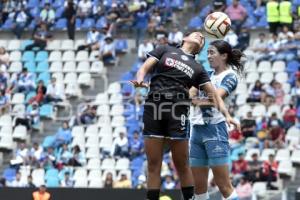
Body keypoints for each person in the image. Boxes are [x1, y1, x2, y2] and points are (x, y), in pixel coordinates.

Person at [130, 32, 237, 200]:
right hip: (154, 106)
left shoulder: (198, 68)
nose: (199, 37)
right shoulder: (165, 49)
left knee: (182, 164)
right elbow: (144, 68)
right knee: (153, 163)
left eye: (202, 39)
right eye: (196, 34)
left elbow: (215, 96)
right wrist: (140, 79)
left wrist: (227, 115)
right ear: (184, 38)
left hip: (178, 110)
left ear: (200, 47)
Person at [189, 40, 244, 200]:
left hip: (215, 130)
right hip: (197, 131)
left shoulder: (230, 76)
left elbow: (215, 98)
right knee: (199, 189)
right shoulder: (208, 76)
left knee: (224, 186)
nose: (209, 56)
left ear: (224, 56)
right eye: (208, 53)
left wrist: (196, 99)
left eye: (212, 52)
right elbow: (190, 94)